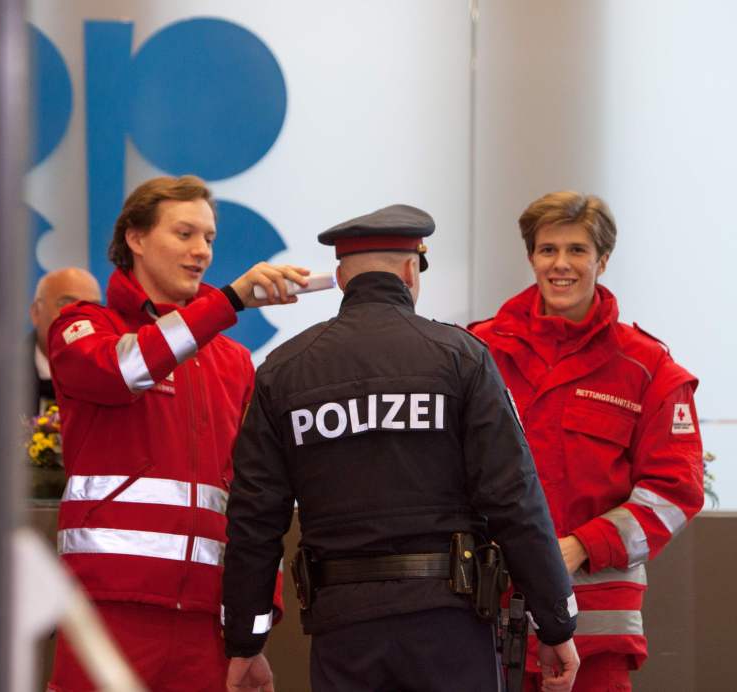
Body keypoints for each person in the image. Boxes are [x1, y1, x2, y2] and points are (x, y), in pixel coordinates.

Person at [222, 204, 580, 692]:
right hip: (448, 624)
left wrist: (246, 641)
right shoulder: (461, 357)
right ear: (411, 270)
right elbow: (513, 496)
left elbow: (255, 520)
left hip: (343, 630)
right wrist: (555, 620)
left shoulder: (283, 372)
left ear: (344, 280)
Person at [45, 175, 305, 692]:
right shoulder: (83, 326)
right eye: (184, 233)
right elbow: (125, 370)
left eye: (209, 238)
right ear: (135, 239)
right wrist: (228, 300)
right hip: (105, 611)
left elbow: (254, 501)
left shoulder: (232, 362)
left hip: (205, 626)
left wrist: (249, 634)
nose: (202, 251)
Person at [469, 191, 704, 691]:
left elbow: (674, 493)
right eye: (547, 249)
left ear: (603, 259)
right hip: (483, 625)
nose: (561, 264)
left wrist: (582, 546)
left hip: (593, 637)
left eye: (577, 250)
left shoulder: (648, 369)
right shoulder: (478, 353)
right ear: (531, 257)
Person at [29, 267, 102, 415]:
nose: (81, 319)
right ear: (36, 312)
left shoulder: (113, 378)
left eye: (93, 307)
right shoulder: (0, 374)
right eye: (67, 304)